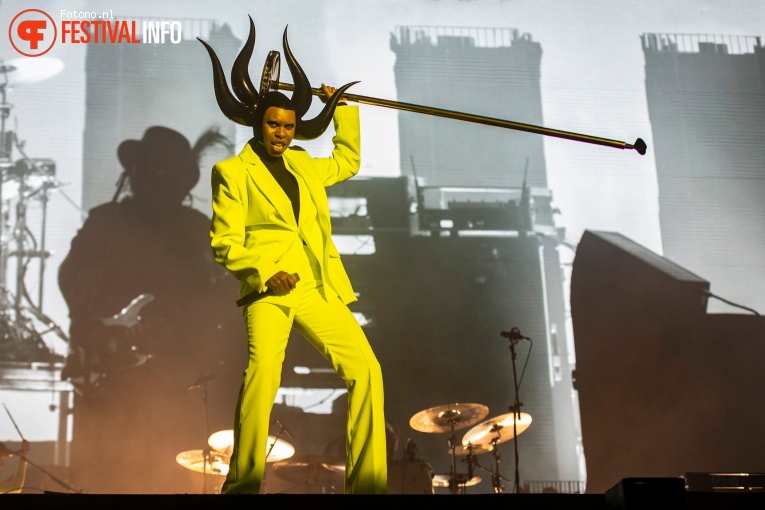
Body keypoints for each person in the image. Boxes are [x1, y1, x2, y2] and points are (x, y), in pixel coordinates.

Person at [199, 19, 387, 495]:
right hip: (269, 290)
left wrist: (340, 108)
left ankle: (367, 487)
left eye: (288, 126)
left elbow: (346, 162)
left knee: (366, 370)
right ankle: (241, 485)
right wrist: (264, 272)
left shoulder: (303, 164)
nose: (281, 133)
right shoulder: (231, 172)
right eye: (273, 125)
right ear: (256, 122)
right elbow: (224, 243)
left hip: (315, 287)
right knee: (262, 378)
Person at [58, 125, 242, 493]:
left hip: (174, 378)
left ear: (176, 182)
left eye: (159, 172)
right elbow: (71, 278)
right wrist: (94, 329)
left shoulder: (194, 229)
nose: (148, 179)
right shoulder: (105, 221)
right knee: (101, 472)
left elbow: (215, 301)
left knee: (171, 467)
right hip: (108, 377)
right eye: (144, 170)